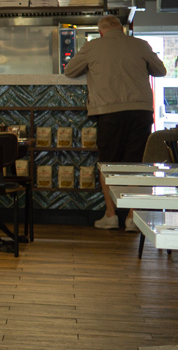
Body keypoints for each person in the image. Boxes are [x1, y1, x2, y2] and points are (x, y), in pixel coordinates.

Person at [62, 15, 167, 230]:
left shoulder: (93, 47)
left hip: (109, 113)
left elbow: (70, 71)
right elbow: (161, 71)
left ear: (101, 31)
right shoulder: (141, 44)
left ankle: (110, 215)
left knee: (108, 164)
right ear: (122, 29)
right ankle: (131, 217)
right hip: (140, 111)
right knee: (137, 164)